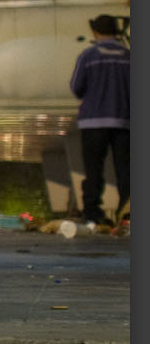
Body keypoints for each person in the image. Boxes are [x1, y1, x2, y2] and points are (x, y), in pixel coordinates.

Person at [71, 13, 129, 228]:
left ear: (95, 32)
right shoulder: (128, 56)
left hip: (93, 122)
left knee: (93, 170)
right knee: (125, 170)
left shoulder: (88, 56)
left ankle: (93, 215)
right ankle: (127, 214)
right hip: (123, 121)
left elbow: (77, 87)